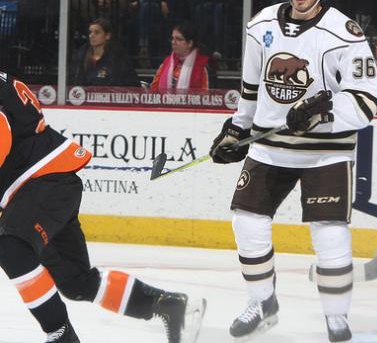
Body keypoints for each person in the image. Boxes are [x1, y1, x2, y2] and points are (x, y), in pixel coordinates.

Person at [209, 0, 377, 342]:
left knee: (329, 231)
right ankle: (263, 303)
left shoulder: (344, 33)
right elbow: (250, 87)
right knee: (247, 222)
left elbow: (367, 100)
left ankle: (336, 318)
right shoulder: (262, 24)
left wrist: (323, 115)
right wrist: (237, 129)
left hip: (326, 151)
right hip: (269, 147)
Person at [0, 72, 206, 342]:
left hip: (41, 183)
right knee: (76, 282)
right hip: (46, 184)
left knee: (12, 248)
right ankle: (168, 305)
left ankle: (61, 335)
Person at [70, 18, 140, 87]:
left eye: (97, 32)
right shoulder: (81, 56)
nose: (92, 35)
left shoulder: (118, 58)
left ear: (107, 36)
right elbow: (72, 81)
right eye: (90, 32)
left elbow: (132, 84)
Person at [150, 22, 217, 91]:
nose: (173, 42)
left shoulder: (204, 66)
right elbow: (154, 90)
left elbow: (209, 97)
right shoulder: (166, 62)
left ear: (190, 43)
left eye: (178, 39)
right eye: (172, 38)